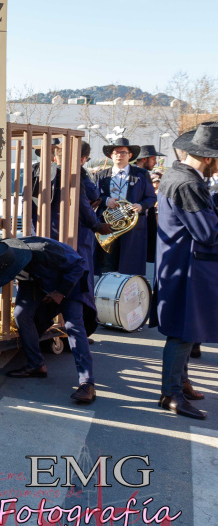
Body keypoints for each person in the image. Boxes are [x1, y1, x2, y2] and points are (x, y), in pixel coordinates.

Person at [0, 237, 98, 403]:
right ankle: (36, 365)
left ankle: (87, 383)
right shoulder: (0, 257)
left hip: (68, 282)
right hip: (35, 280)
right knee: (21, 315)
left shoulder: (43, 250)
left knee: (73, 326)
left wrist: (61, 292)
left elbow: (79, 264)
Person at [153, 123, 218, 419]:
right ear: (207, 157)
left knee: (186, 332)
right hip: (187, 269)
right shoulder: (188, 183)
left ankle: (180, 383)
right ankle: (171, 394)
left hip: (180, 265)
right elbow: (207, 233)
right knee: (181, 334)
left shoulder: (178, 174)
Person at [93, 138, 157, 276]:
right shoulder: (100, 176)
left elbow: (152, 198)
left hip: (132, 229)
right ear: (111, 156)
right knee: (107, 267)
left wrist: (141, 206)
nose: (119, 155)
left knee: (130, 269)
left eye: (123, 152)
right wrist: (106, 201)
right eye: (116, 152)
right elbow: (93, 198)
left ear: (130, 155)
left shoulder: (141, 175)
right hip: (108, 227)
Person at [77, 142, 113, 307]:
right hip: (79, 232)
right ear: (83, 159)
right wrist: (98, 226)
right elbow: (91, 196)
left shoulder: (39, 170)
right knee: (82, 276)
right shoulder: (78, 174)